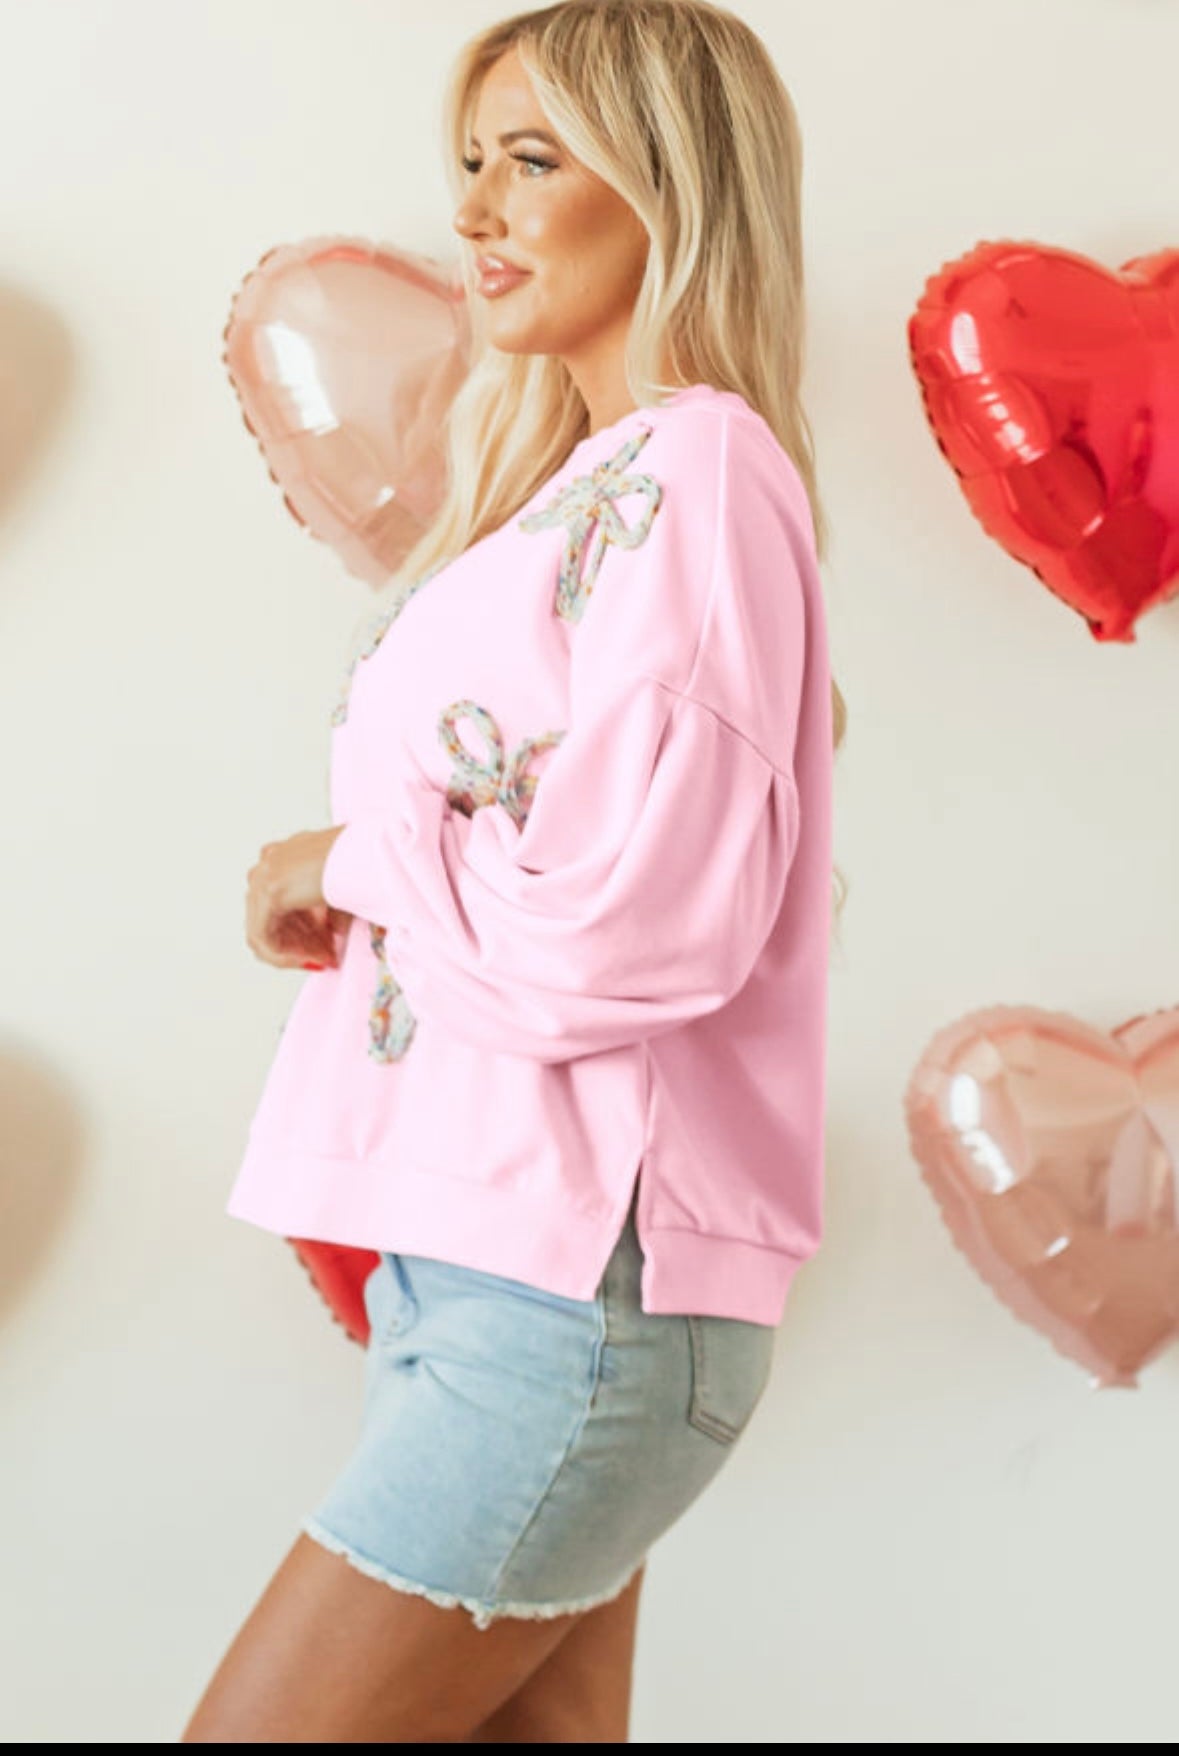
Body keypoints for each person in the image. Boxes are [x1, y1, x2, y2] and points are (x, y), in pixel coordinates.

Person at [182, 0, 847, 1742]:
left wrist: (355, 858)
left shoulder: (700, 471)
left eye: (532, 161)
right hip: (494, 1274)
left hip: (574, 1301)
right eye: (470, 161)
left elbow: (634, 927)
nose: (474, 209)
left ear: (669, 185)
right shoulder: (587, 490)